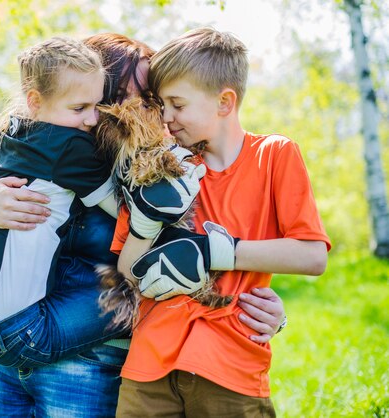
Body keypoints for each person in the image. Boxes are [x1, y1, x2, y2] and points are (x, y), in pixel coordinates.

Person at [0, 33, 287, 417]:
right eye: (125, 96)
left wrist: (260, 310)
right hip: (4, 355)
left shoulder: (165, 169)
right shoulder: (47, 139)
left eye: (151, 98)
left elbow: (202, 247)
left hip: (90, 363)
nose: (143, 109)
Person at [110, 28, 331, 417]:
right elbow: (128, 269)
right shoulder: (160, 167)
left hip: (230, 364)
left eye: (177, 104)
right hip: (148, 365)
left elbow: (312, 256)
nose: (167, 117)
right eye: (161, 104)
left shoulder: (274, 156)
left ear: (225, 102)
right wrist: (147, 224)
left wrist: (214, 252)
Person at [0, 36, 132, 369]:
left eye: (97, 106)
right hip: (20, 330)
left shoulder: (12, 133)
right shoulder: (70, 146)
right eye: (79, 108)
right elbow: (129, 214)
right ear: (35, 100)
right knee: (145, 298)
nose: (92, 119)